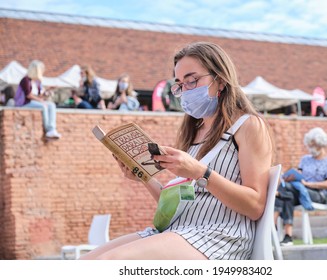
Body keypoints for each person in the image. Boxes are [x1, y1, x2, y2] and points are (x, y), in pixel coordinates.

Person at [80, 41, 274, 260]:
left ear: (220, 80)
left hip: (219, 238)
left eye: (192, 81)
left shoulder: (248, 125)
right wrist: (143, 176)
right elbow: (183, 203)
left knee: (110, 262)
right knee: (85, 262)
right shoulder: (195, 132)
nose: (185, 91)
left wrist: (201, 173)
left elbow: (256, 206)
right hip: (180, 230)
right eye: (180, 85)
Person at [274, 127, 327, 246]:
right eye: (309, 145)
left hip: (318, 194)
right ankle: (288, 236)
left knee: (285, 191)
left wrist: (308, 184)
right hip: (299, 191)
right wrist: (290, 177)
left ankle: (273, 222)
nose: (311, 148)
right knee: (288, 194)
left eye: (313, 145)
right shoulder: (305, 159)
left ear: (321, 144)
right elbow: (299, 174)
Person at [14, 60, 61, 139]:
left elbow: (39, 96)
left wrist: (48, 91)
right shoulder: (25, 80)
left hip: (34, 102)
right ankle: (48, 130)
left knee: (51, 105)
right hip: (24, 103)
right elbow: (28, 95)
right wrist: (40, 101)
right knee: (43, 106)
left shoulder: (37, 82)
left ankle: (52, 128)